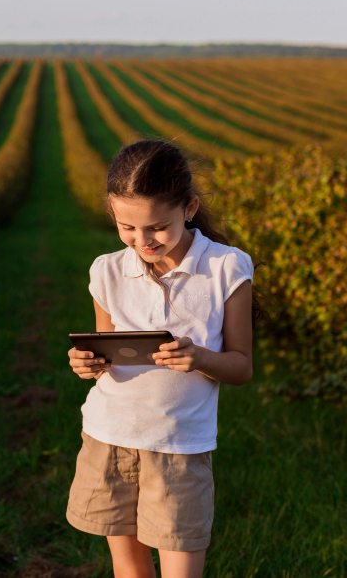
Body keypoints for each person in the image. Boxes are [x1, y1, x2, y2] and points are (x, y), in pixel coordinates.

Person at [66, 140, 262, 578]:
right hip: (108, 434)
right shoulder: (107, 270)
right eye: (127, 228)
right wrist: (88, 363)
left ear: (189, 208)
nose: (142, 241)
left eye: (157, 227)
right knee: (129, 565)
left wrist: (198, 358)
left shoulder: (226, 268)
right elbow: (106, 345)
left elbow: (242, 367)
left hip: (179, 446)